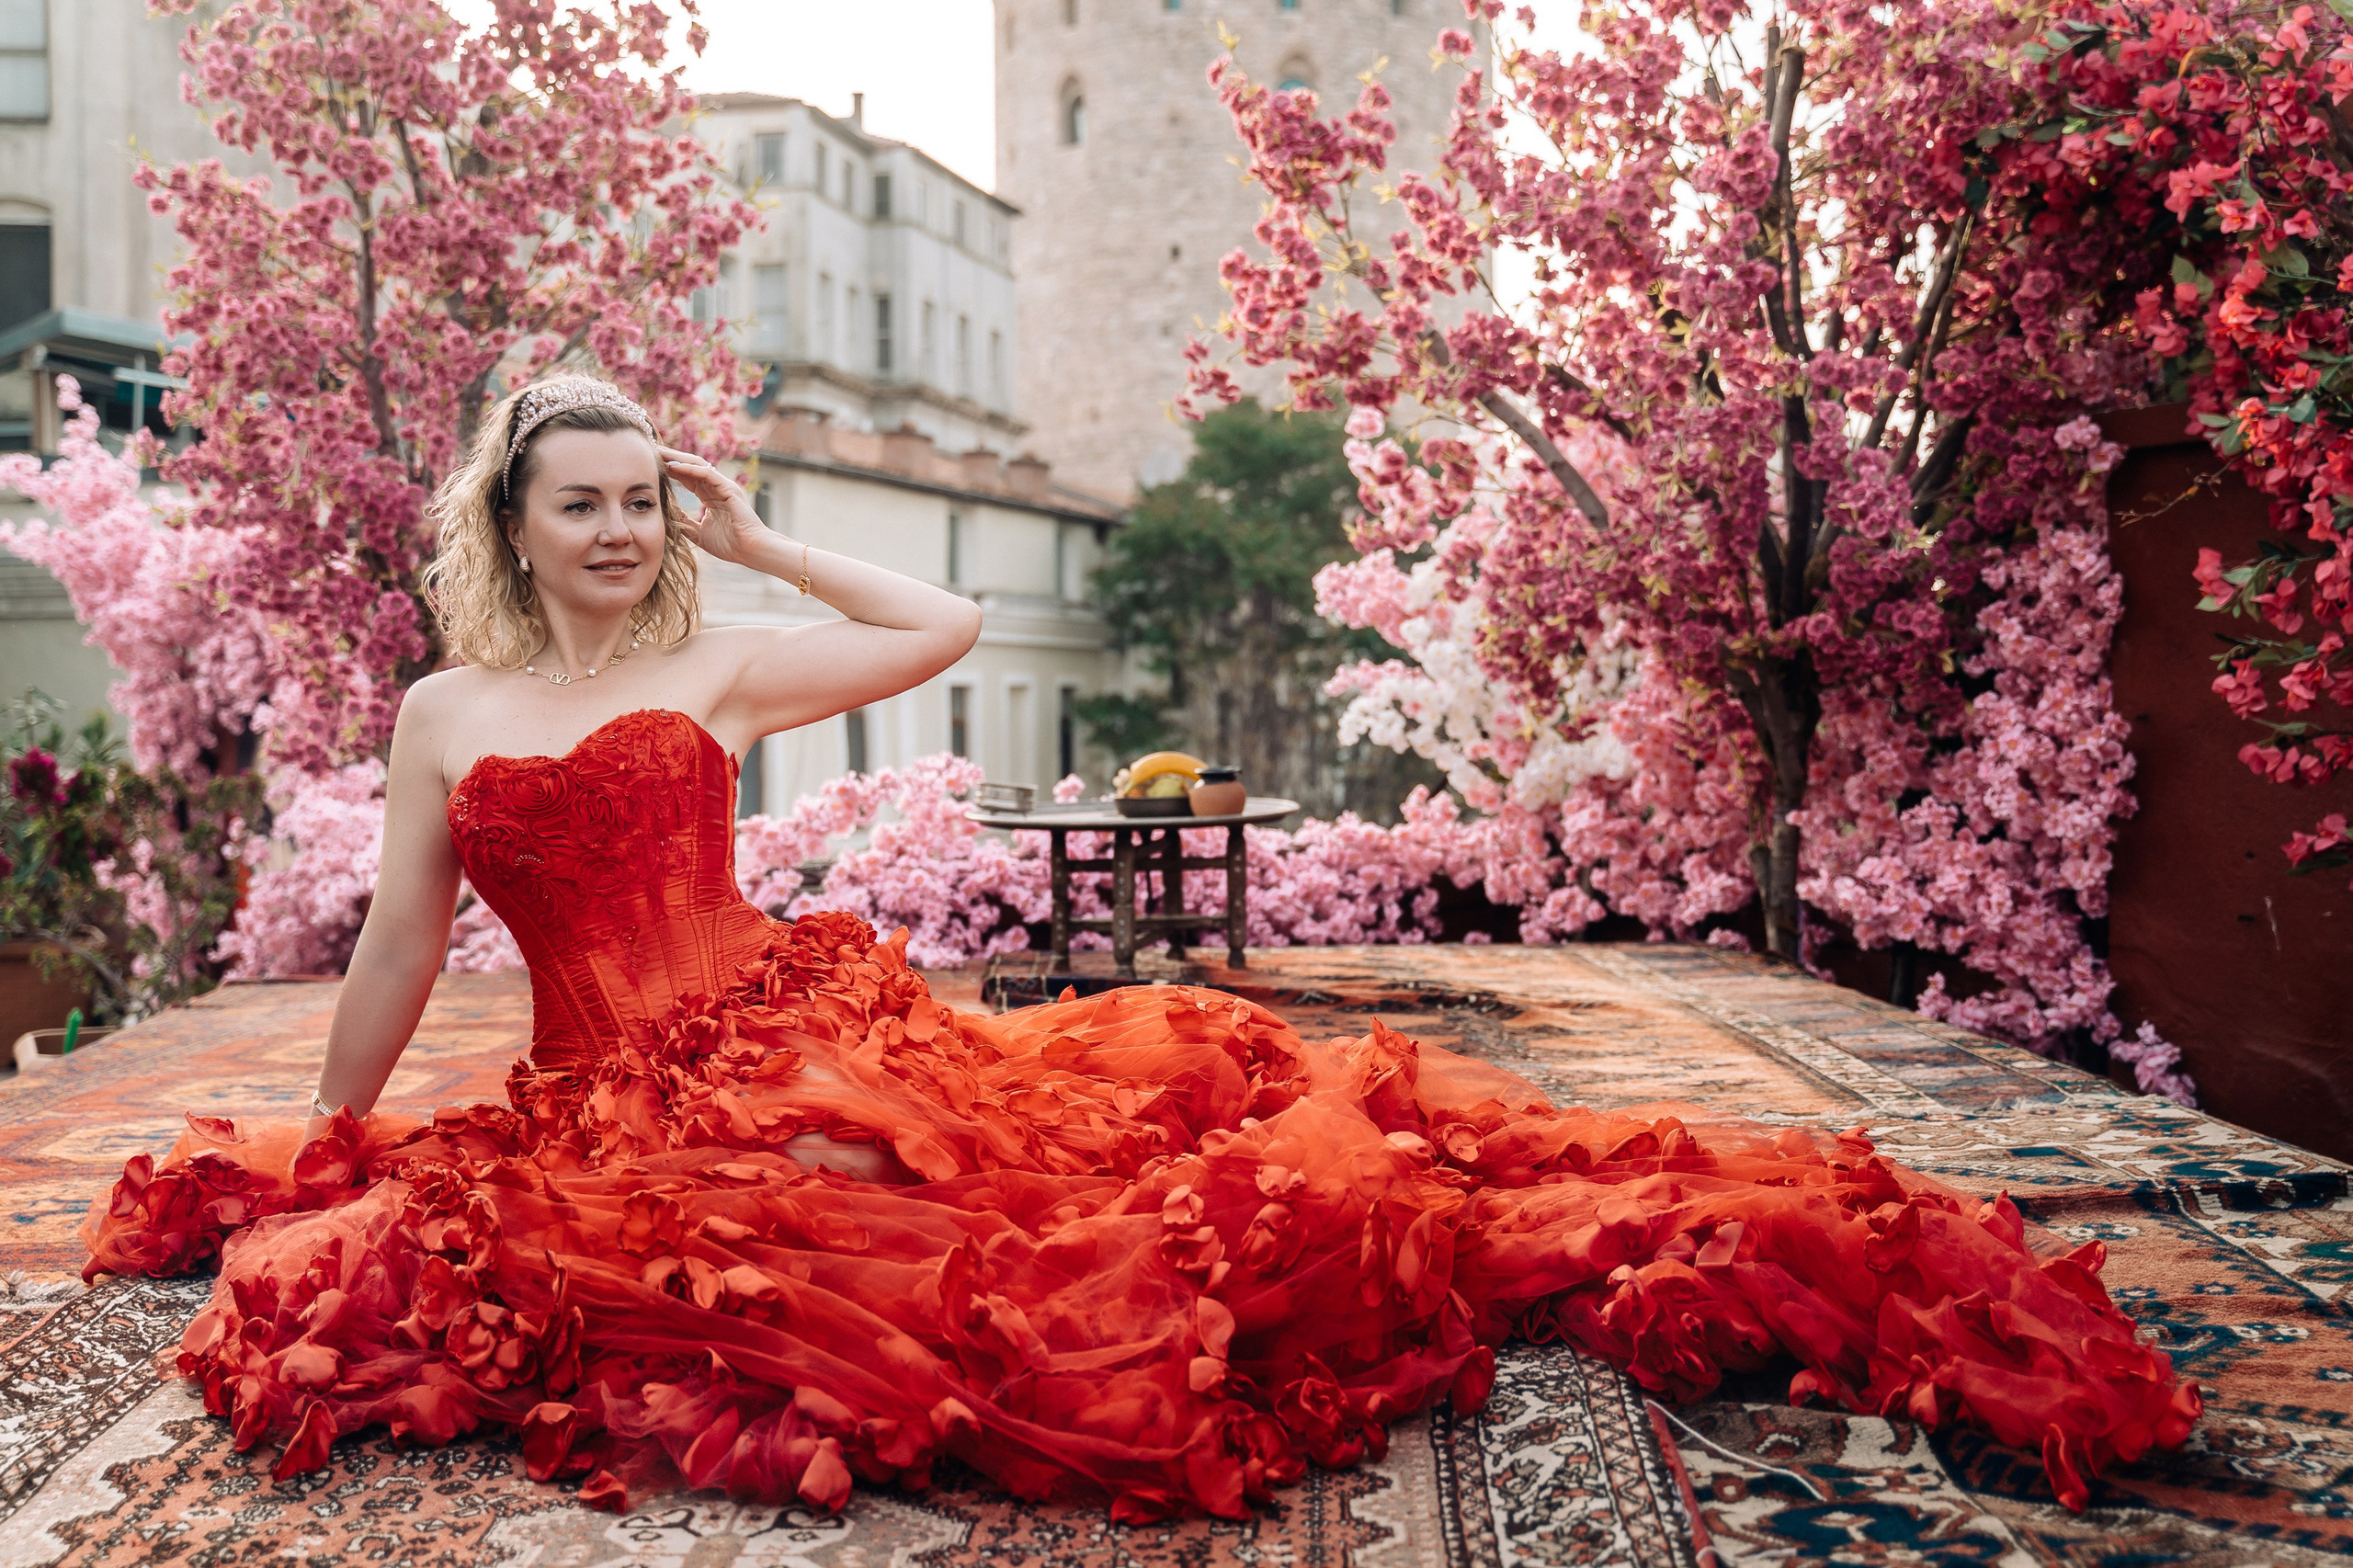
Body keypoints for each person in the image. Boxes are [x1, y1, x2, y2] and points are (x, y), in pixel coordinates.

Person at [82, 375, 2198, 1522]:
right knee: (689, 1272)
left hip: (782, 1034)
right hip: (598, 1093)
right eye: (587, 503)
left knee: (954, 1223)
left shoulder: (717, 658)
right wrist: (330, 1132)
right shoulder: (446, 713)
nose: (620, 527)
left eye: (647, 496)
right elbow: (395, 934)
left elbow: (943, 630)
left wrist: (751, 527)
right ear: (510, 521)